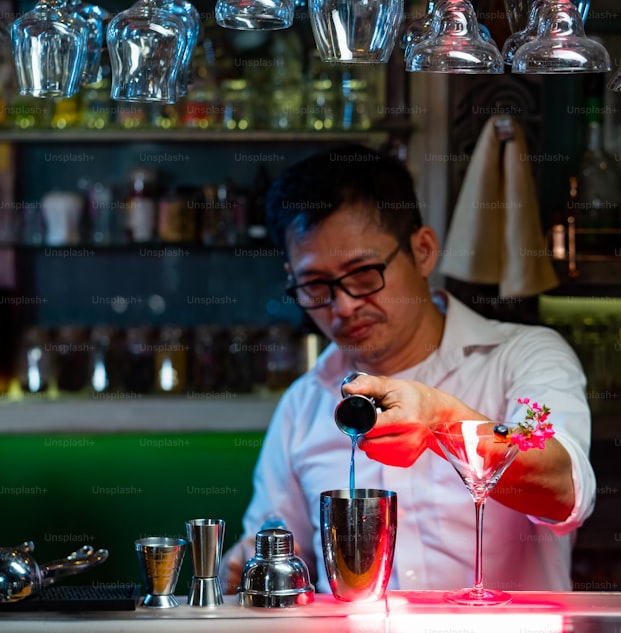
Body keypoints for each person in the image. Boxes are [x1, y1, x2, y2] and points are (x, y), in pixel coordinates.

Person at [221, 145, 595, 594]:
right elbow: (277, 545)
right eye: (315, 285)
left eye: (363, 274)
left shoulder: (523, 356)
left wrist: (441, 420)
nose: (343, 305)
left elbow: (562, 489)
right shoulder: (303, 404)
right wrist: (243, 565)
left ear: (422, 250)